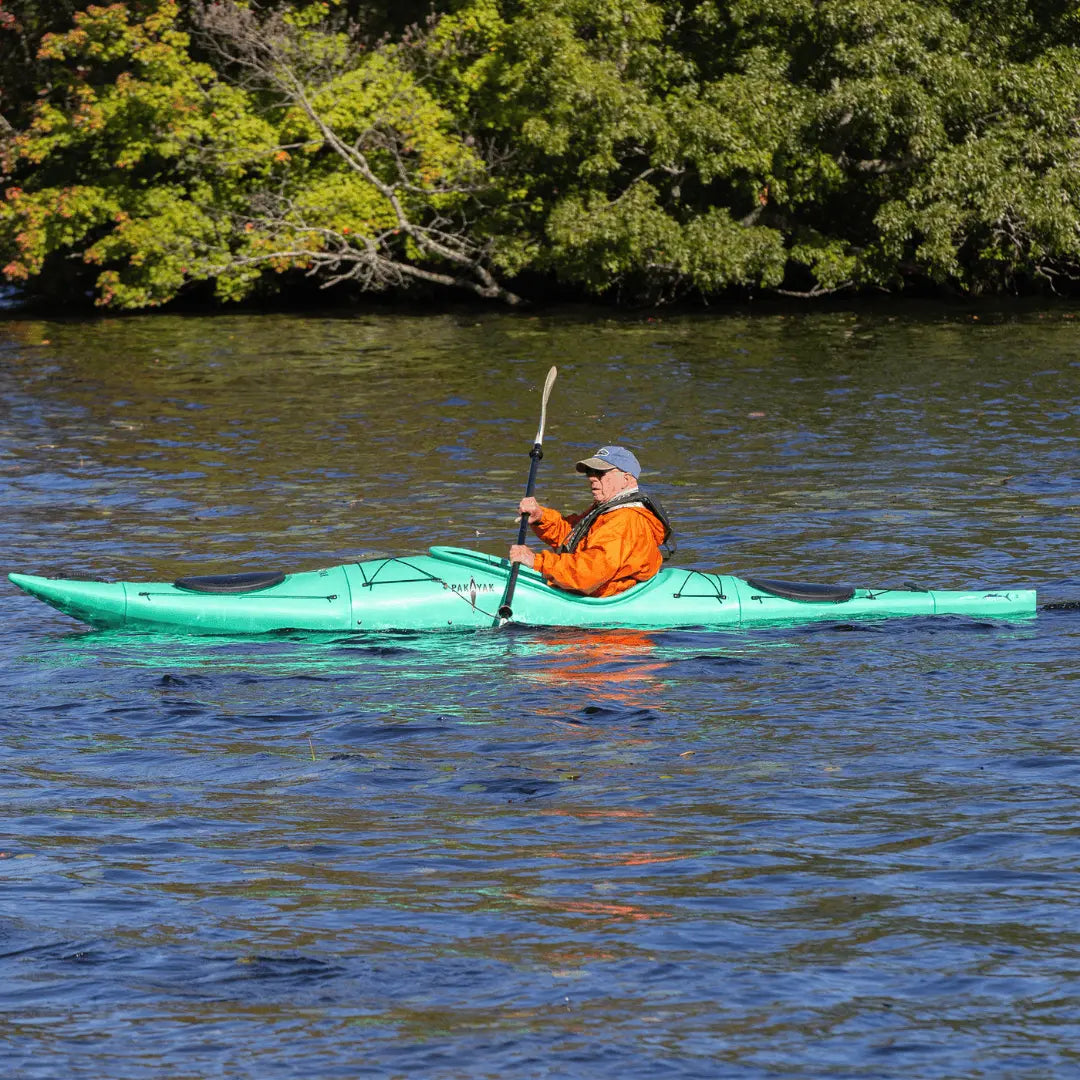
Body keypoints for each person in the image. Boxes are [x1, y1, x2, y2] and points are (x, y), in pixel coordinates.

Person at [508, 445, 672, 598]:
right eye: (590, 472)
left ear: (626, 479)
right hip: (591, 588)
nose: (592, 478)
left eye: (600, 473)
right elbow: (572, 538)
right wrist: (540, 517)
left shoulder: (625, 520)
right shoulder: (607, 509)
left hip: (608, 610)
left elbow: (589, 574)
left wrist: (535, 561)